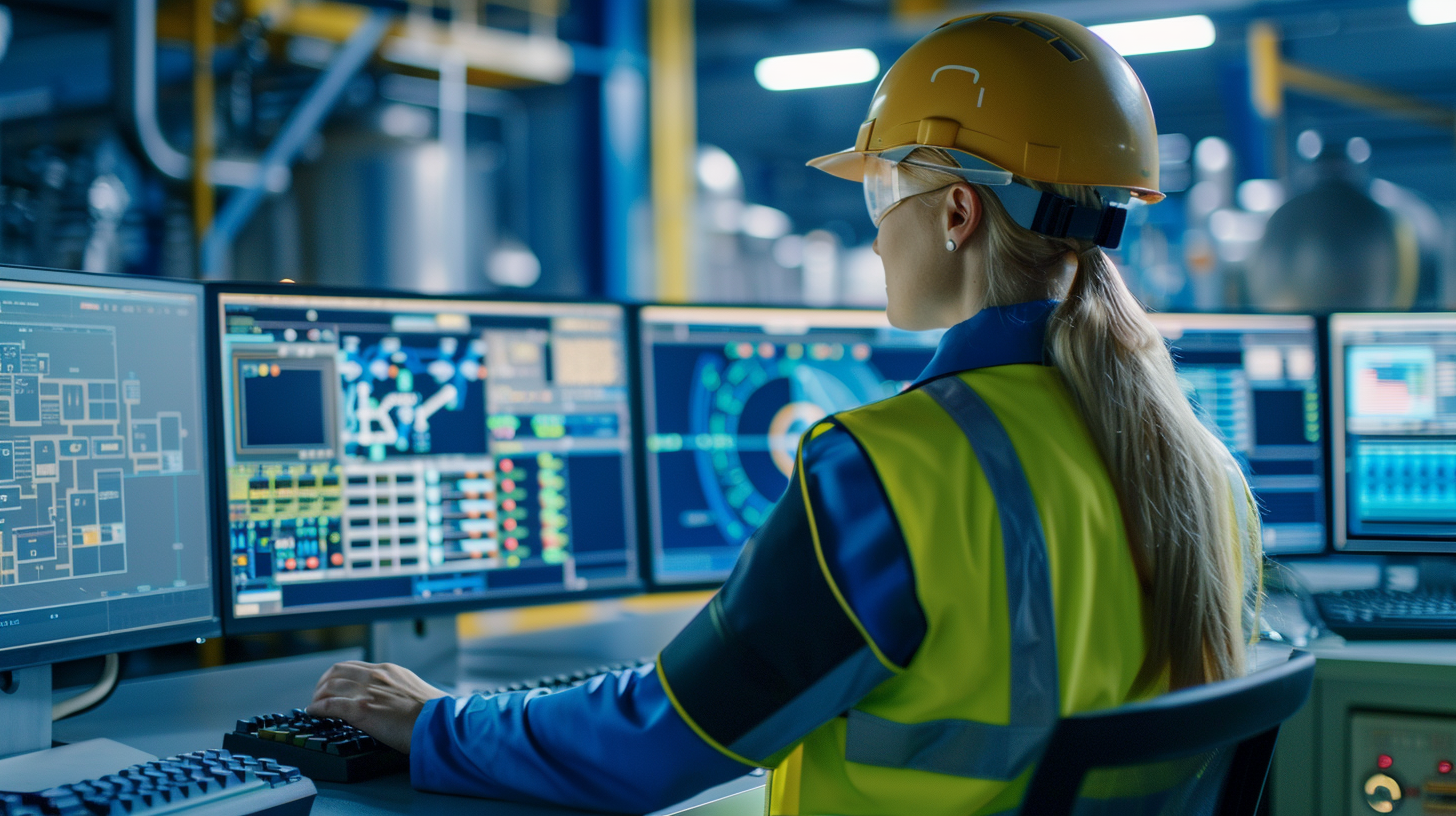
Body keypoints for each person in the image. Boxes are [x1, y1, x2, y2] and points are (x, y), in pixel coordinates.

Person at [306, 11, 1262, 815]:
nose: (877, 230)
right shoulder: (1198, 466)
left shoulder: (893, 468)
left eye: (886, 186)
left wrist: (440, 722)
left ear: (958, 212)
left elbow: (669, 741)